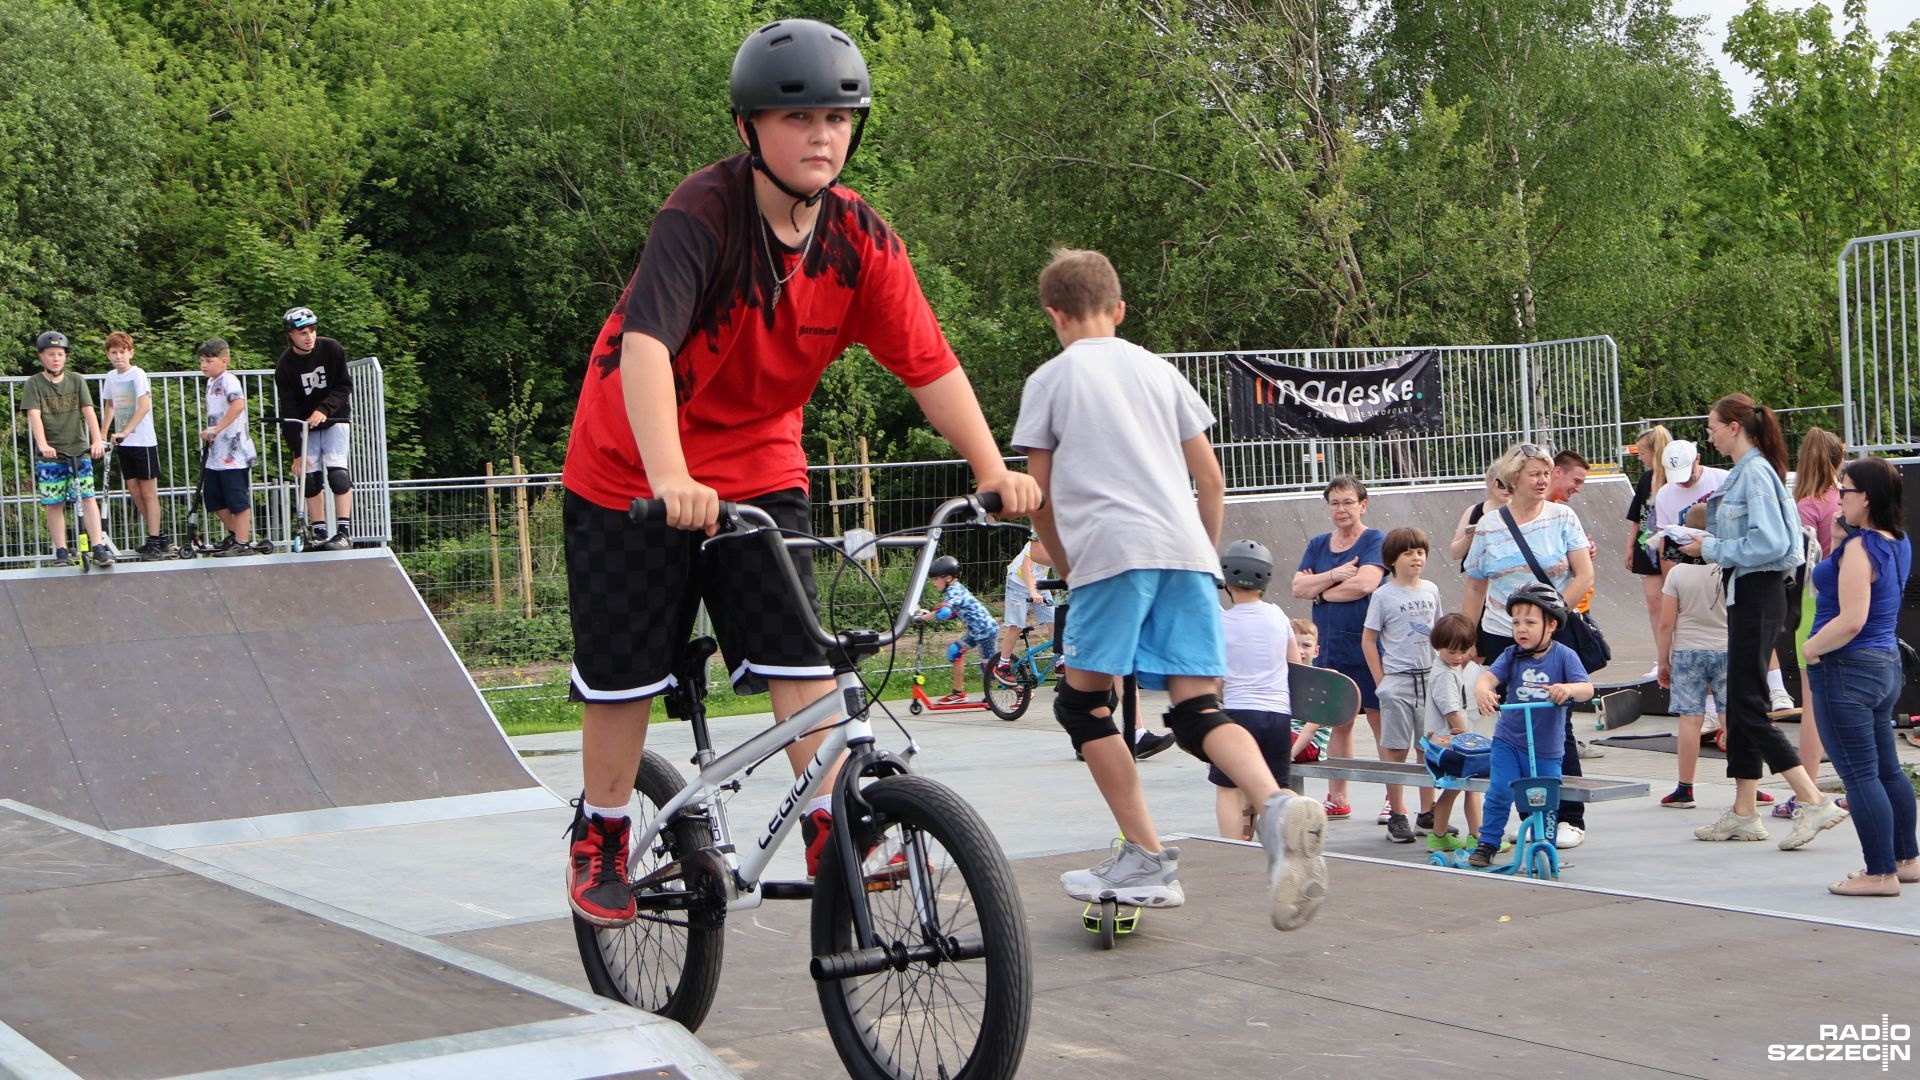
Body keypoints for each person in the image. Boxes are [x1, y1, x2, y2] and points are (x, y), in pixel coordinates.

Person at [558, 19, 1040, 928]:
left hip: (758, 460)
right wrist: (670, 477)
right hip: (632, 464)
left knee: (799, 650)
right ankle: (605, 830)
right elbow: (647, 348)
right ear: (749, 128)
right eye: (799, 118)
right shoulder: (702, 215)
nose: (822, 135)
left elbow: (930, 366)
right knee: (625, 671)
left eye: (838, 118)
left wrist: (992, 468)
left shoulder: (860, 239)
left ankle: (830, 822)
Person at [1016, 247, 1326, 932]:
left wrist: (1068, 567)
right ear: (1120, 310)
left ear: (1054, 315)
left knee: (1082, 706)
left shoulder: (1050, 379)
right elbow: (1210, 479)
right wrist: (1204, 559)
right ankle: (1275, 804)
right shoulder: (1161, 371)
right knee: (1196, 710)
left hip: (1109, 553)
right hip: (1187, 552)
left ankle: (1147, 856)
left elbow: (1039, 495)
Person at [1675, 393, 1845, 846]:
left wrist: (1709, 547)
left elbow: (1770, 543)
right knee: (1741, 703)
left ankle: (1813, 800)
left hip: (1758, 591)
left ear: (1734, 427)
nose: (1708, 435)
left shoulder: (1754, 474)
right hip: (1752, 591)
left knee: (1746, 706)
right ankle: (1745, 810)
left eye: (1712, 427)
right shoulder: (1753, 471)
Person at [1461, 441, 1593, 848]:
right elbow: (1476, 584)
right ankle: (1530, 814)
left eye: (1546, 473)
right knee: (1513, 726)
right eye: (1534, 473)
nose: (1542, 480)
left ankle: (1569, 816)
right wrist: (1468, 636)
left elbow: (1584, 574)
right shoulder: (1489, 525)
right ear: (1513, 478)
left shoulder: (1562, 516)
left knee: (1556, 722)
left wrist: (1550, 619)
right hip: (1502, 632)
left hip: (1552, 631)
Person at [1800, 456, 1919, 894]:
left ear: (1865, 498)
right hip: (1883, 663)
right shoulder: (1895, 540)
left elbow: (1851, 619)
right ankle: (1905, 859)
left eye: (1844, 490)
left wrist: (1811, 649)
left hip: (1847, 665)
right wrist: (1839, 538)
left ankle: (1880, 873)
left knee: (1860, 774)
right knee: (1886, 769)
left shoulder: (1861, 548)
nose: (1838, 498)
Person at [1467, 584, 1594, 868]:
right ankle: (1488, 842)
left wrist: (1568, 689)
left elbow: (1587, 688)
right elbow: (1488, 678)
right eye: (1516, 622)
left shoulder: (1564, 655)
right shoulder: (1511, 655)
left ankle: (1543, 845)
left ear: (1551, 625)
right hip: (1509, 741)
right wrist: (1483, 690)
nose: (1521, 629)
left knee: (1544, 800)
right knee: (1500, 790)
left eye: (1530, 622)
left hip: (1547, 747)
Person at [1291, 476, 1386, 821]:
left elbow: (1364, 584)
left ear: (1363, 505)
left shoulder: (1375, 540)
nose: (1341, 509)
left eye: (1348, 502)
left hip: (1368, 645)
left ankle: (1393, 799)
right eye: (1335, 503)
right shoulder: (1318, 544)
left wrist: (1321, 591)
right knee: (1338, 720)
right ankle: (1338, 796)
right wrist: (1334, 575)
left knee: (1379, 719)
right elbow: (1298, 587)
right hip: (1330, 646)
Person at [1773, 425, 1846, 818]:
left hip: (1813, 604)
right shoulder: (1847, 500)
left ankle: (1807, 790)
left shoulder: (1805, 506)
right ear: (1838, 460)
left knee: (1813, 703)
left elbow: (1798, 563)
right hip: (1847, 602)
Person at [1214, 540, 1308, 840]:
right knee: (1276, 786)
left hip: (1238, 715)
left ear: (1226, 580)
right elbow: (1295, 667)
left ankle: (1233, 849)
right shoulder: (1278, 617)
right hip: (1277, 715)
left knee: (1229, 787)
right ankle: (1303, 820)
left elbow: (1216, 681)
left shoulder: (1221, 622)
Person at [1361, 527, 1440, 843]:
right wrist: (1382, 682)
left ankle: (1428, 813)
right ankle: (1397, 814)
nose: (1416, 558)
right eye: (1408, 553)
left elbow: (1438, 633)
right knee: (1395, 749)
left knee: (1428, 748)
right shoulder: (1383, 595)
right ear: (1392, 559)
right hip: (1398, 681)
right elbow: (1369, 639)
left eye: (1420, 552)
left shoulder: (1431, 589)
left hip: (1429, 678)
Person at [1654, 505, 1726, 810]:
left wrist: (1663, 661)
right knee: (1731, 717)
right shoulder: (1727, 569)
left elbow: (1666, 623)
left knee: (1690, 719)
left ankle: (1685, 789)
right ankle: (1747, 786)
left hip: (1687, 651)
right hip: (1726, 649)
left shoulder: (1678, 574)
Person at [23, 331, 113, 566]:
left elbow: (88, 411)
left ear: (66, 357)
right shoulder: (35, 383)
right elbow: (34, 415)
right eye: (51, 354)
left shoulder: (76, 380)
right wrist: (43, 444)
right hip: (51, 454)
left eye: (60, 354)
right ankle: (61, 550)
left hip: (78, 450)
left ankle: (98, 546)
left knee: (88, 498)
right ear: (41, 356)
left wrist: (96, 441)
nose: (56, 359)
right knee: (54, 503)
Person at [274, 306, 355, 551]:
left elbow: (344, 386)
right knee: (309, 480)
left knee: (338, 476)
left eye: (312, 330)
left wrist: (324, 409)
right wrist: (296, 451)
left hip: (335, 420)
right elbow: (288, 410)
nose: (309, 337)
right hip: (306, 427)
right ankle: (319, 532)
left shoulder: (332, 348)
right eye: (302, 333)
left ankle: (344, 532)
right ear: (290, 335)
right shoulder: (285, 366)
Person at [99, 332, 172, 557]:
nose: (118, 356)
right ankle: (158, 536)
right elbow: (110, 406)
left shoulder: (138, 374)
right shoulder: (111, 377)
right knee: (134, 490)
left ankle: (155, 539)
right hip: (124, 443)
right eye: (114, 352)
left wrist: (126, 431)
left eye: (122, 352)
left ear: (130, 353)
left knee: (148, 492)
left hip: (142, 441)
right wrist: (102, 434)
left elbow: (144, 406)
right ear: (108, 355)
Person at [1421, 613, 1484, 856]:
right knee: (1472, 786)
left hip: (1443, 743)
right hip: (1450, 744)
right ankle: (1478, 837)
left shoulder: (1447, 667)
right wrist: (1470, 740)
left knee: (1454, 789)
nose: (1458, 657)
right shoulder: (1445, 674)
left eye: (1463, 651)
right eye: (1452, 652)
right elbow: (1451, 711)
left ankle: (1439, 836)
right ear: (1437, 646)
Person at [196, 339, 260, 556]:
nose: (204, 365)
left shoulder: (228, 380)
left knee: (236, 498)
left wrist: (217, 429)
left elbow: (238, 405)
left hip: (234, 453)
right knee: (213, 497)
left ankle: (242, 543)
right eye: (202, 361)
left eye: (208, 361)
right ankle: (235, 534)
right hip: (216, 454)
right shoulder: (211, 382)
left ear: (223, 361)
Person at [916, 554, 1000, 703]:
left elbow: (944, 613)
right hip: (976, 631)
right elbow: (952, 613)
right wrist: (929, 614)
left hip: (985, 631)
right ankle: (958, 693)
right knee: (954, 651)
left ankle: (1019, 690)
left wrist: (923, 618)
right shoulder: (955, 589)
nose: (934, 583)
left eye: (936, 579)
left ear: (948, 578)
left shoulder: (953, 590)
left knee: (989, 669)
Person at [1623, 425, 1672, 674]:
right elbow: (1636, 516)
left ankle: (1677, 653)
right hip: (1647, 546)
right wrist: (1630, 546)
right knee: (1654, 603)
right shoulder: (1646, 479)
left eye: (1642, 453)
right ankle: (1662, 655)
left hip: (1671, 547)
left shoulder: (1675, 478)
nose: (1640, 457)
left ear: (1654, 451)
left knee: (1674, 602)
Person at [995, 532, 1057, 679]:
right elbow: (1026, 568)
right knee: (1016, 626)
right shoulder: (1035, 542)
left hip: (1039, 583)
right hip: (1018, 583)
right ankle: (1002, 665)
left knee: (1055, 622)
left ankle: (1059, 661)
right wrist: (1033, 593)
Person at [1447, 462, 1511, 568]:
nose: (1506, 489)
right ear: (1491, 483)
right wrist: (1469, 537)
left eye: (1511, 484)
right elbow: (1455, 553)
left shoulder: (1521, 511)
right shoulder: (1474, 511)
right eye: (1501, 484)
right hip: (1480, 572)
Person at [1288, 619, 1331, 768]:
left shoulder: (1321, 681)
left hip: (1309, 745)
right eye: (1295, 645)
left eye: (1306, 646)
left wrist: (1290, 755)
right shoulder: (1283, 676)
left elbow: (1311, 728)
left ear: (1316, 651)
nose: (1300, 651)